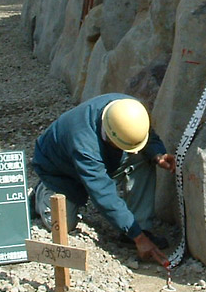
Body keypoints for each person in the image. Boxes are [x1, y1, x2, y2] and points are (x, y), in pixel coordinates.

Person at [30, 94, 176, 266]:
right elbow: (103, 194)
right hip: (60, 171)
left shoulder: (129, 110)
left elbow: (145, 137)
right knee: (63, 225)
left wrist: (158, 154)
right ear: (109, 135)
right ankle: (40, 194)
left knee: (143, 157)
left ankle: (139, 225)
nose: (132, 151)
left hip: (98, 158)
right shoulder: (84, 144)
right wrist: (139, 238)